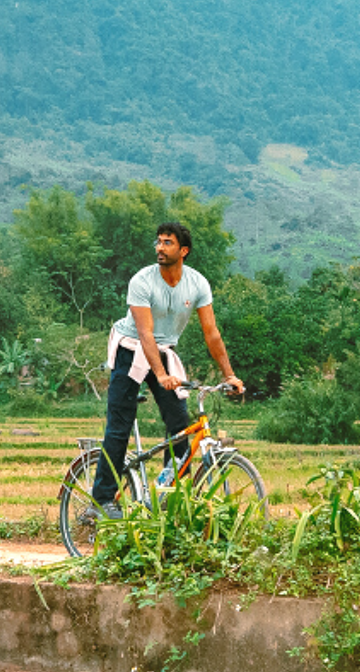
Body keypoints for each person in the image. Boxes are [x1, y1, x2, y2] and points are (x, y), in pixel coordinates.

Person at [91, 221, 245, 516]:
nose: (160, 248)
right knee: (119, 426)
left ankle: (168, 496)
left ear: (183, 251)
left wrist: (229, 374)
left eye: (167, 243)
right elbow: (145, 333)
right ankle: (102, 500)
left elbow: (211, 333)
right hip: (132, 349)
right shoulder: (142, 281)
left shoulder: (197, 284)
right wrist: (160, 375)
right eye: (158, 242)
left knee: (179, 426)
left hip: (164, 353)